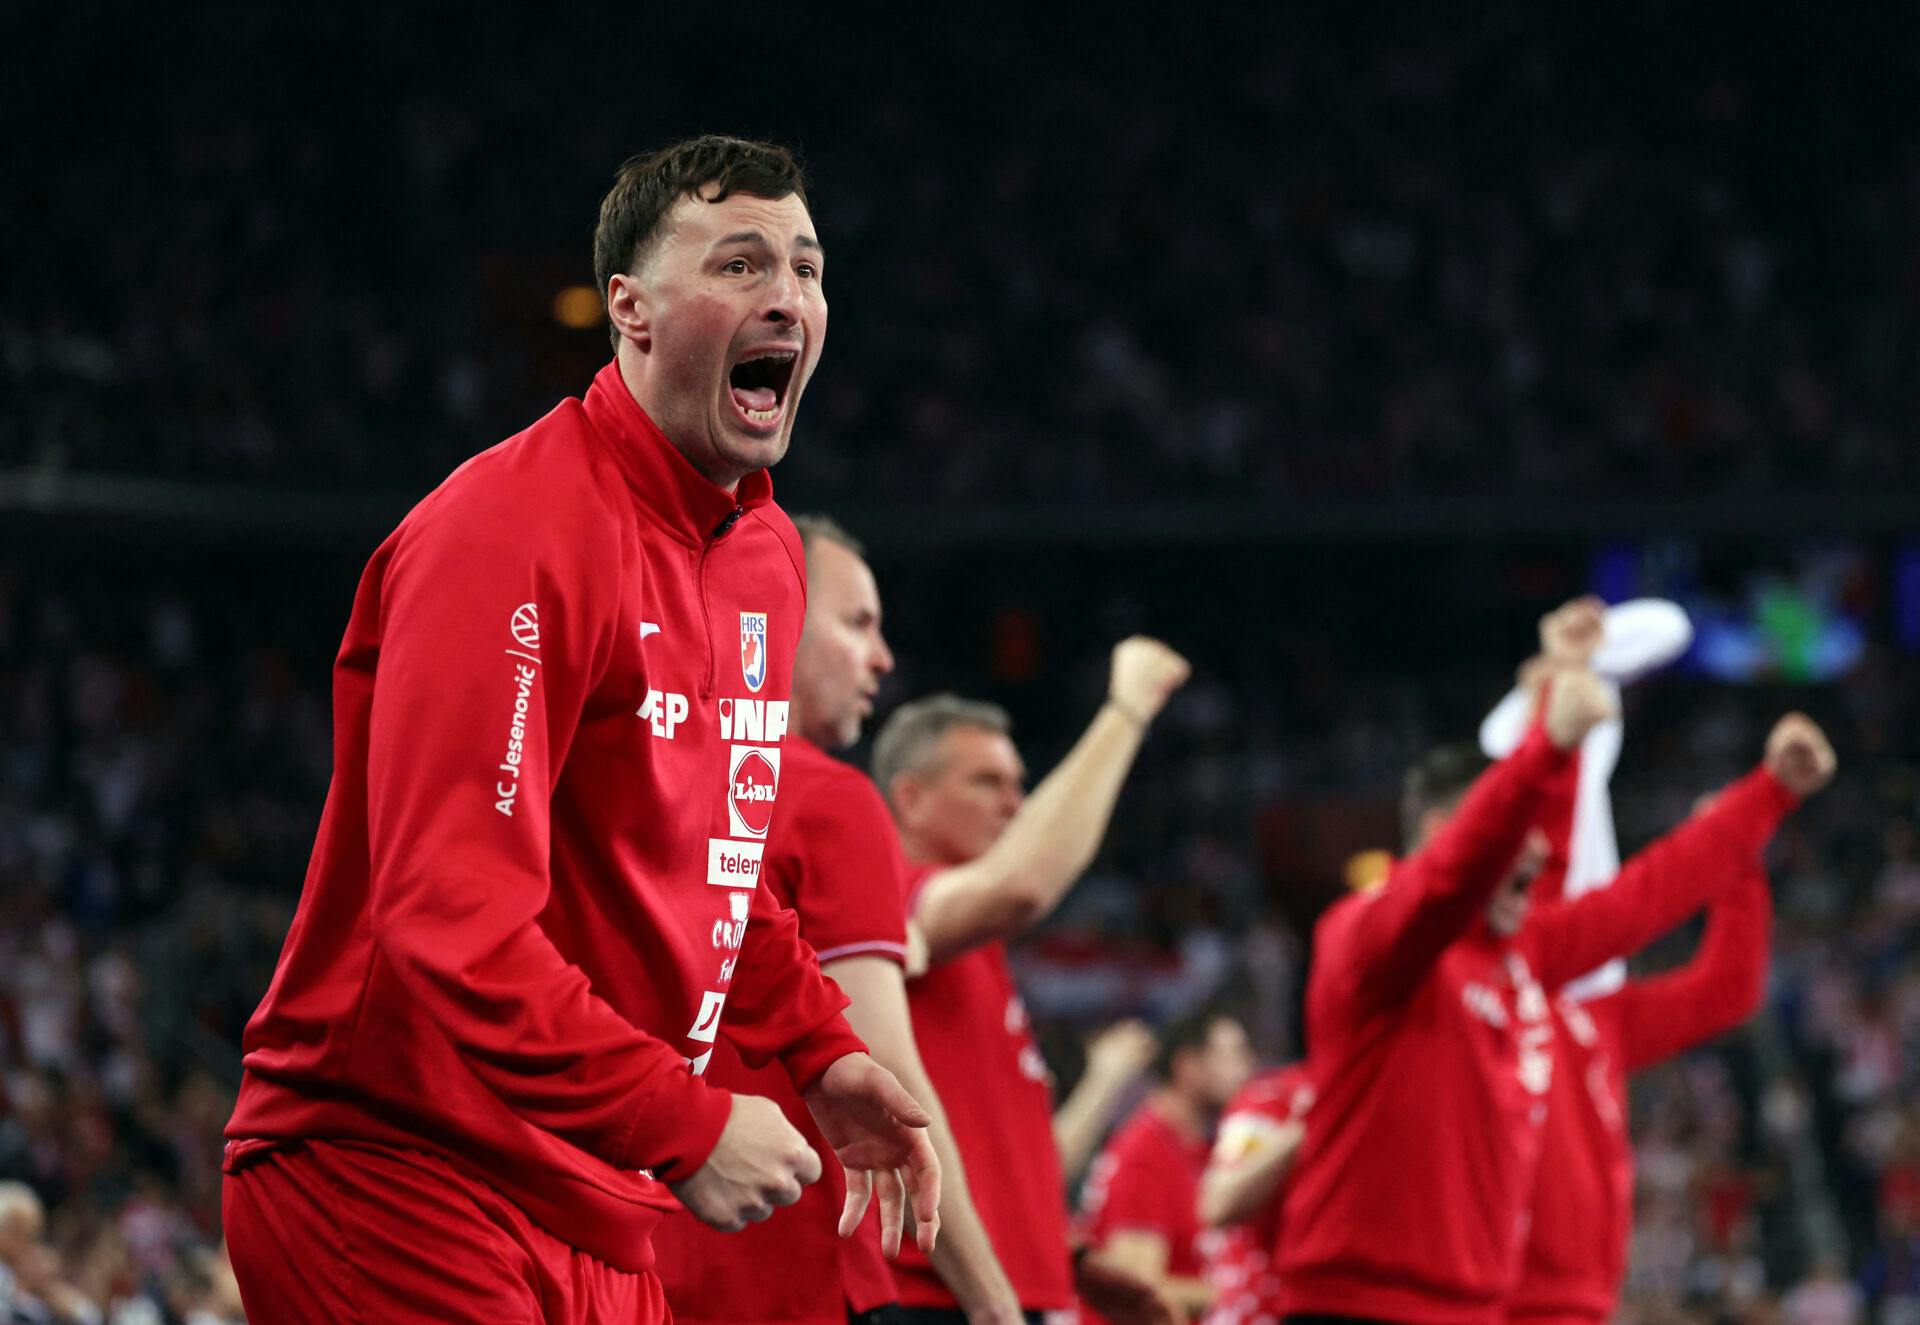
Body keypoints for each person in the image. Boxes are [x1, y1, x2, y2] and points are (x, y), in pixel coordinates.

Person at [221, 136, 938, 1325]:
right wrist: (687, 1115)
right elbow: (448, 915)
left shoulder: (765, 560)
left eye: (806, 270)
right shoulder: (506, 530)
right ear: (632, 310)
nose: (787, 299)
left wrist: (822, 1051)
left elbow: (716, 868)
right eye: (741, 264)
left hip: (598, 1194)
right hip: (396, 1168)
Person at [1274, 637, 1834, 1325]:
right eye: (1518, 836)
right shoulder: (1369, 935)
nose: (1542, 861)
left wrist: (1768, 795)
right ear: (1448, 830)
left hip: (1474, 1308)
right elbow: (1452, 879)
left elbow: (1647, 895)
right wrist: (1550, 740)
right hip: (1361, 1306)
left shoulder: (1520, 961)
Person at [653, 515, 1019, 1325]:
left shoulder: (651, 788)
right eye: (858, 624)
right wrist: (996, 1306)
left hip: (646, 1270)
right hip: (800, 1274)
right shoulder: (833, 801)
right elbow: (884, 1066)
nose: (882, 658)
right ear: (777, 615)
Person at [873, 639, 1191, 1324]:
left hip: (999, 1293)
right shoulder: (884, 896)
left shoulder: (974, 950)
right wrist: (1127, 709)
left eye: (1019, 782)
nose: (1015, 803)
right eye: (987, 782)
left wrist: (1061, 1257)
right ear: (911, 797)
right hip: (932, 1296)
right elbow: (1021, 884)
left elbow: (1002, 1157)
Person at [1494, 601, 1771, 1325]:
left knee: (1582, 875)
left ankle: (1562, 719)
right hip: (1489, 1293)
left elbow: (1726, 991)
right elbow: (1565, 886)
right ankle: (1557, 724)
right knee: (1566, 875)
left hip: (1577, 1299)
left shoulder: (1598, 1020)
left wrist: (1738, 868)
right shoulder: (1481, 992)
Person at [1079, 1013, 1258, 1322]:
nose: (1247, 1068)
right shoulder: (1144, 1155)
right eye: (1230, 1055)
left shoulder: (1199, 1151)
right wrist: (1238, 1293)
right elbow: (1135, 1288)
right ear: (1187, 1066)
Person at [1194, 1063, 1314, 1325]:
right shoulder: (1272, 1097)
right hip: (1269, 1308)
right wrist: (1311, 1127)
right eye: (1229, 1052)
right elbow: (1219, 1202)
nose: (1241, 1061)